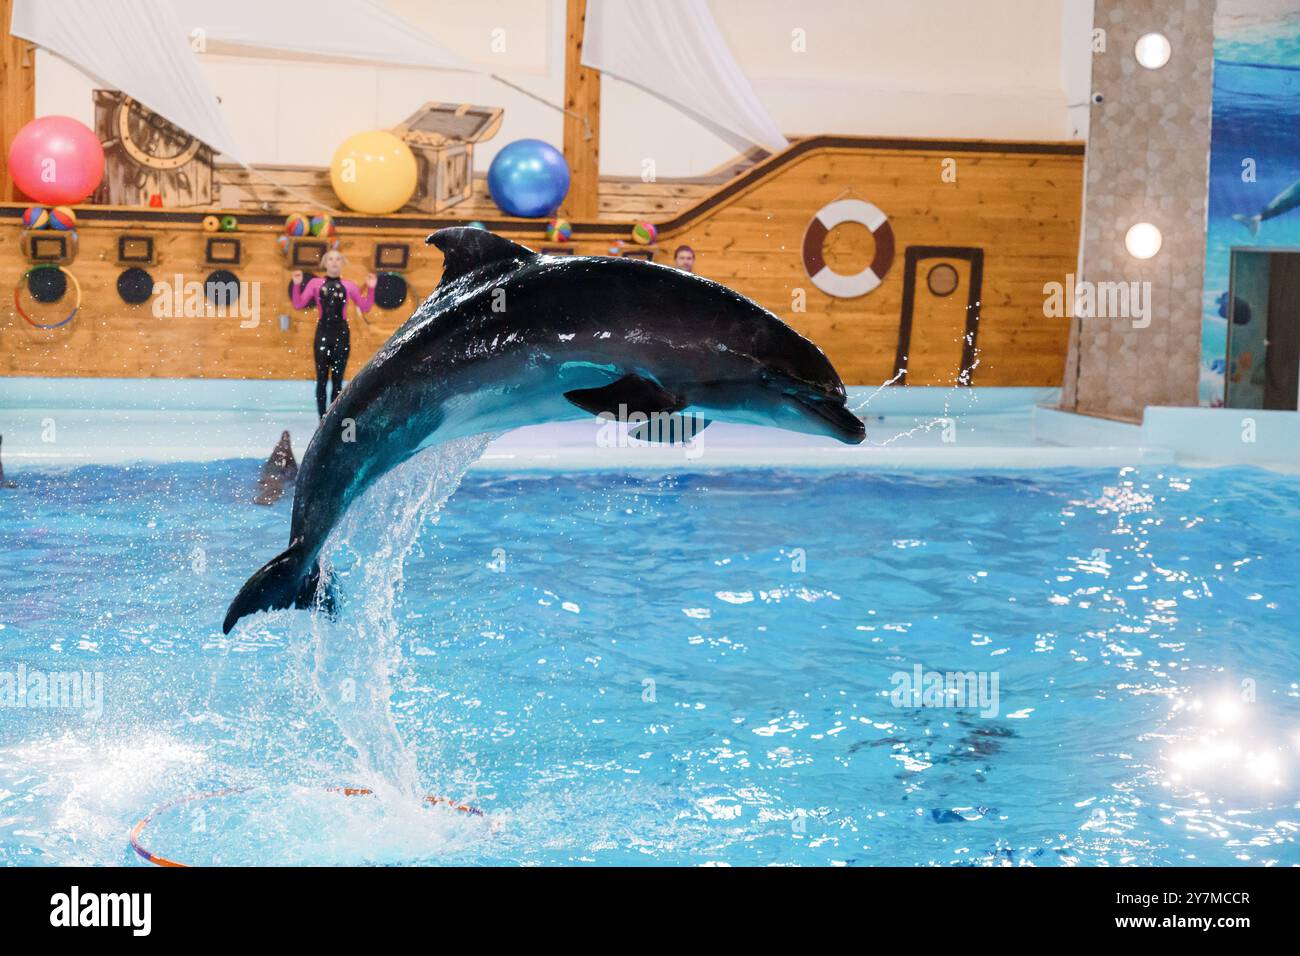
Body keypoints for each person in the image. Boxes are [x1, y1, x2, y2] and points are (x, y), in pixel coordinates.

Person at [291, 250, 376, 418]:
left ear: (342, 263)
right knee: (321, 380)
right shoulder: (315, 284)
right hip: (323, 332)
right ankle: (322, 419)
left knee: (337, 381)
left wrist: (371, 289)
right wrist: (296, 284)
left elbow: (365, 307)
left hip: (341, 334)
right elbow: (298, 304)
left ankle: (333, 419)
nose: (334, 262)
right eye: (330, 259)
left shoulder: (349, 285)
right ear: (325, 263)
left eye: (338, 259)